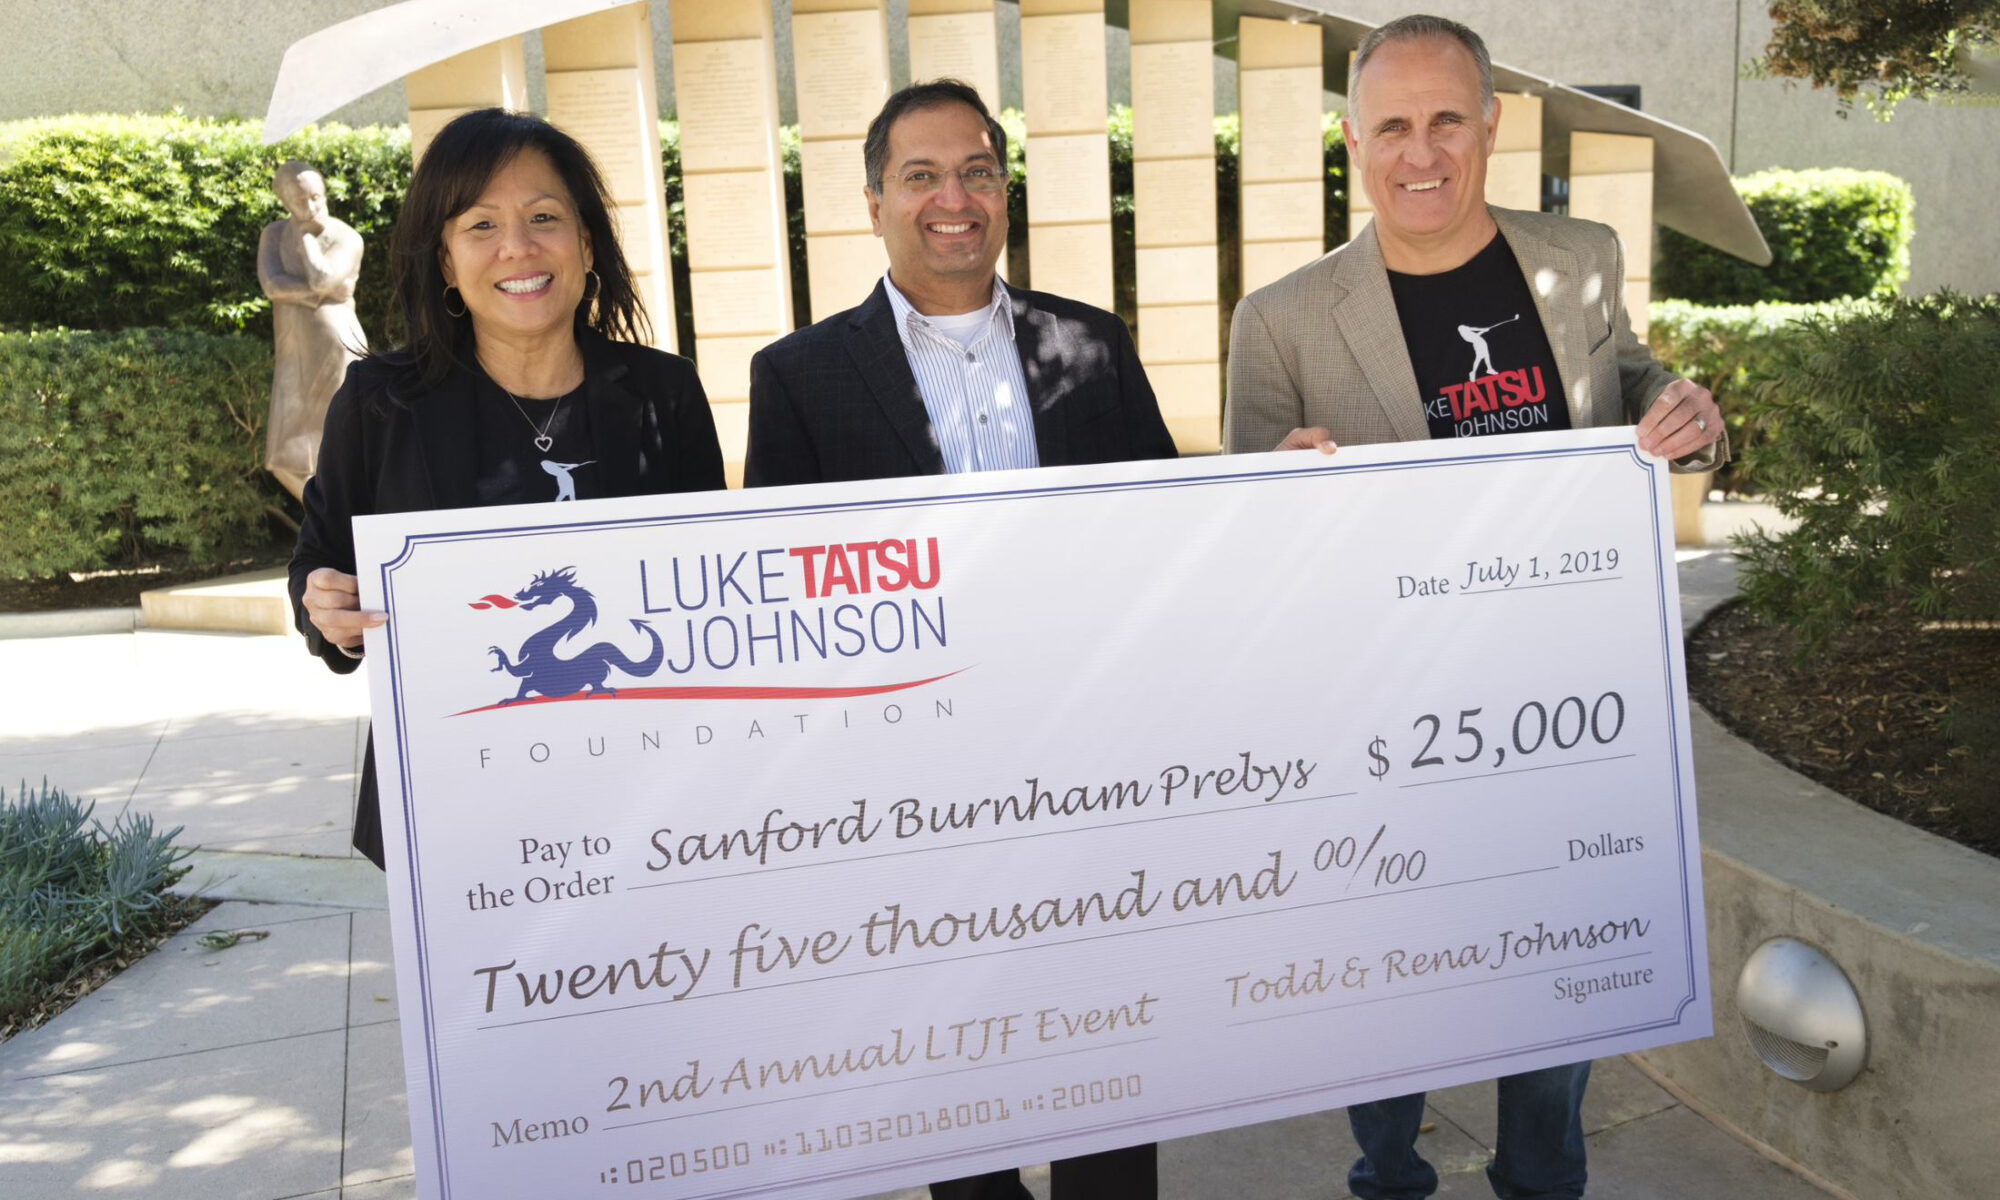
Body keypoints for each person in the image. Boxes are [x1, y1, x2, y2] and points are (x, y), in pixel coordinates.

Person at [1223, 15, 1725, 1200]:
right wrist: (1274, 495)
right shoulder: (1283, 318)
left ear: (1490, 122)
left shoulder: (1579, 256)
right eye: (1390, 125)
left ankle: (1541, 1181)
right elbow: (1241, 547)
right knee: (1390, 1003)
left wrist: (1687, 416)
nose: (1420, 151)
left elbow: (1635, 384)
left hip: (1566, 710)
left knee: (1556, 1004)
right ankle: (1388, 1173)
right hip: (1383, 732)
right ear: (1352, 140)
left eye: (1446, 118)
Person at [744, 79, 1174, 1200]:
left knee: (1104, 1067)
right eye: (921, 175)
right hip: (913, 797)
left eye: (976, 171)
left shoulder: (1093, 344)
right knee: (955, 1085)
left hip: (1089, 776)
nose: (953, 198)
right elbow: (788, 608)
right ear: (873, 200)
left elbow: (1169, 542)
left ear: (1003, 190)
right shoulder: (796, 377)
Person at [289, 108, 725, 868]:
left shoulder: (665, 395)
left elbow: (709, 587)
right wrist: (325, 605)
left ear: (586, 243)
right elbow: (319, 566)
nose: (518, 247)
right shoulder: (380, 402)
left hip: (648, 795)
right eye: (481, 226)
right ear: (446, 262)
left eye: (545, 217)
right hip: (453, 798)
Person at [258, 159, 367, 499]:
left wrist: (306, 240)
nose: (311, 206)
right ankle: (326, 524)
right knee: (285, 456)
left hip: (336, 346)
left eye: (316, 197)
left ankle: (342, 525)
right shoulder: (274, 234)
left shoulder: (346, 237)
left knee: (339, 443)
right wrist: (322, 296)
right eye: (300, 201)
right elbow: (273, 286)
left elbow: (322, 278)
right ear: (285, 202)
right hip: (293, 348)